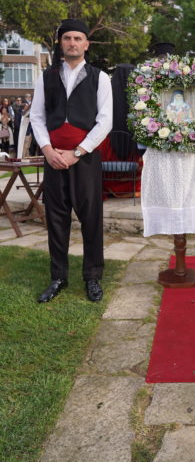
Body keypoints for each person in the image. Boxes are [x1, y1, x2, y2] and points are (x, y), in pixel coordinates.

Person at [30, 19, 113, 303]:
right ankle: (58, 277)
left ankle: (92, 277)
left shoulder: (100, 78)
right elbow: (37, 117)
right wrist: (47, 150)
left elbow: (105, 121)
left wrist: (78, 152)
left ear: (86, 44)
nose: (72, 43)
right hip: (53, 157)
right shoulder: (47, 77)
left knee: (91, 218)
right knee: (56, 218)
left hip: (85, 159)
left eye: (78, 38)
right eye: (67, 38)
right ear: (60, 43)